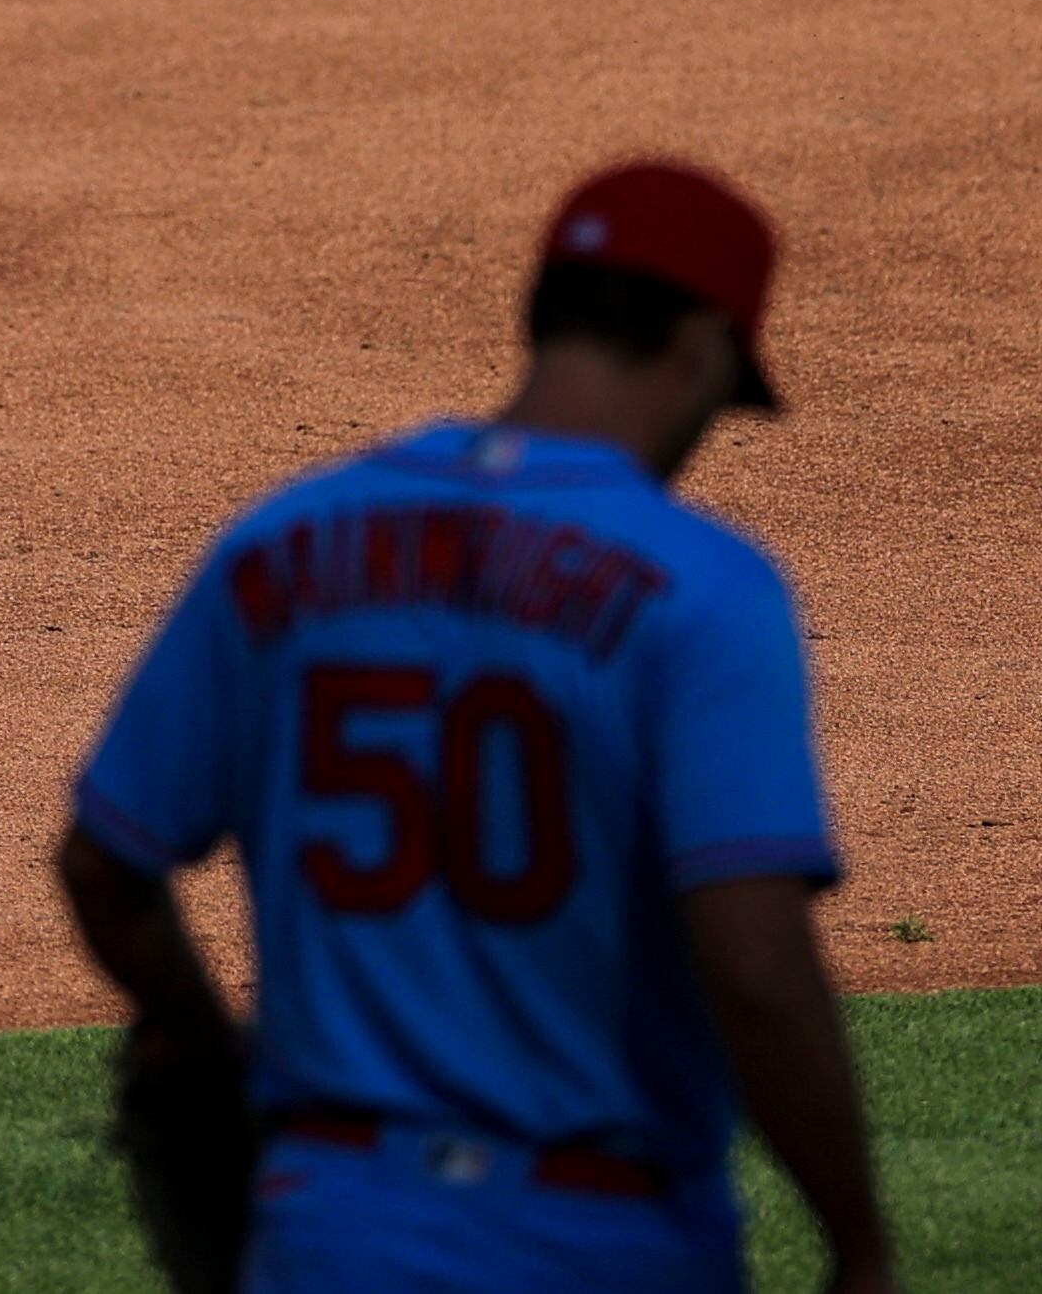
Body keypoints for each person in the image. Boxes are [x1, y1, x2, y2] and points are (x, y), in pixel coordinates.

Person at [54, 160, 895, 1293]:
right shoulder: (704, 589)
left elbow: (105, 862)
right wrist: (858, 1242)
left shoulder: (281, 544)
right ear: (698, 346)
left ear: (539, 314)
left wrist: (199, 1040)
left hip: (332, 1232)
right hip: (604, 1243)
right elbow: (750, 957)